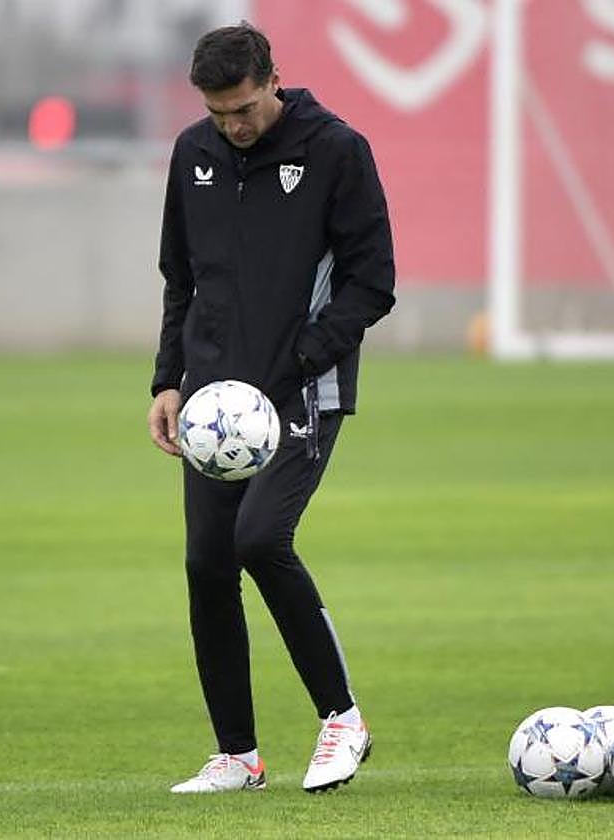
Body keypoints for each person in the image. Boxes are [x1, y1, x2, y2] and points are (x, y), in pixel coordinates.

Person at [146, 22, 395, 794]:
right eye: (220, 114)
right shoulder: (194, 154)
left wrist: (302, 359)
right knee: (205, 564)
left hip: (298, 392)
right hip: (212, 404)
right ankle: (238, 756)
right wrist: (167, 380)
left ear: (273, 80)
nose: (234, 126)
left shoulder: (336, 151)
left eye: (245, 108)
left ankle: (342, 720)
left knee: (260, 539)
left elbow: (372, 282)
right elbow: (181, 280)